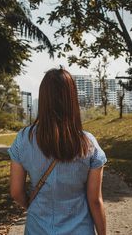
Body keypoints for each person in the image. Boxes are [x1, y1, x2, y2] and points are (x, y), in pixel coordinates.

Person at [8, 68, 107, 235]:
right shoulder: (88, 143)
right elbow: (95, 201)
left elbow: (16, 192)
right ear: (71, 99)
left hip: (36, 229)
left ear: (44, 99)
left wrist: (33, 206)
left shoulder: (23, 139)